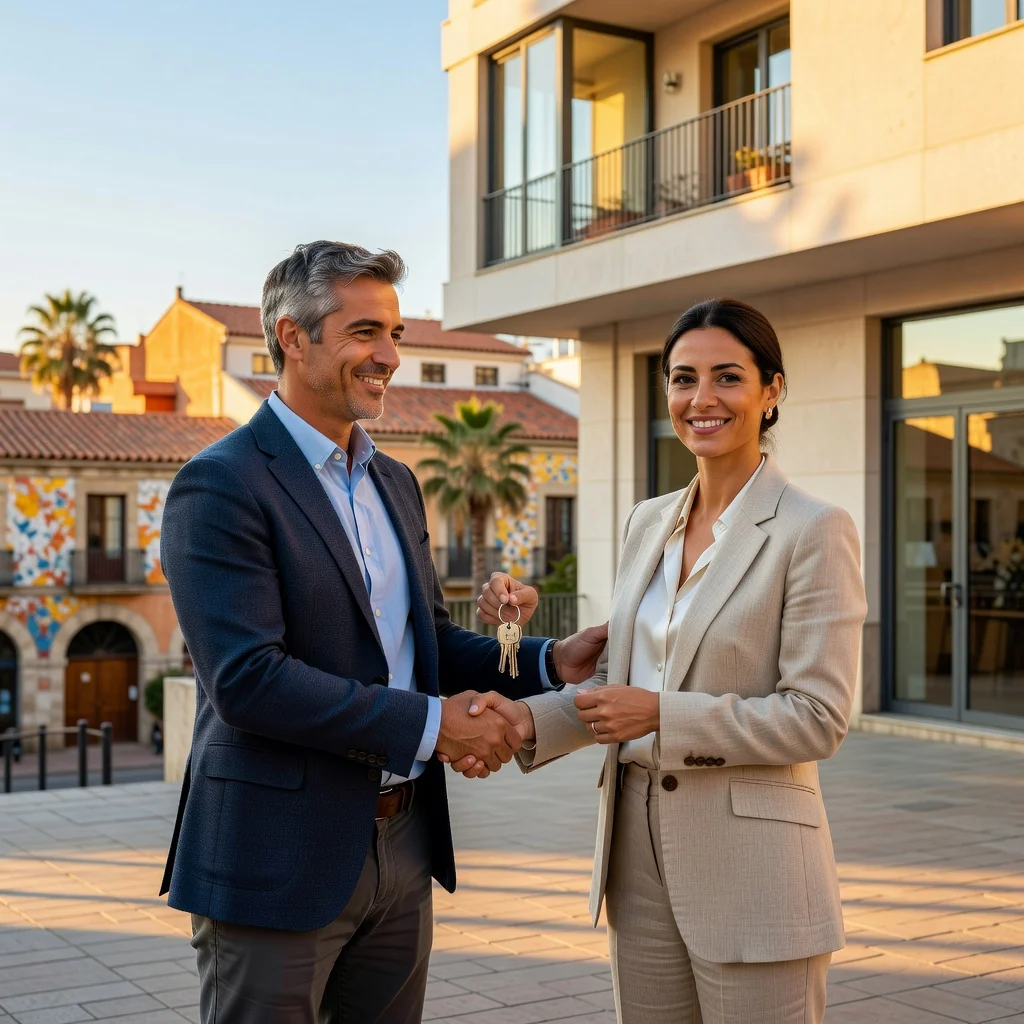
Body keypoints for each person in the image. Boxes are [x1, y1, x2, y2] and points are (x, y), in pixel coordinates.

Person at [158, 240, 608, 1024]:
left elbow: (425, 644)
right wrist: (437, 728)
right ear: (293, 337)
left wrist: (548, 659)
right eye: (366, 332)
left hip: (403, 845)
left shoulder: (395, 482)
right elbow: (248, 681)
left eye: (395, 334)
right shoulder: (220, 484)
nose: (390, 356)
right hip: (275, 853)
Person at [459, 298, 868, 1023]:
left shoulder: (814, 529)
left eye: (727, 378)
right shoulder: (646, 521)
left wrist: (662, 716)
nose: (701, 399)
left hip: (755, 865)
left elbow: (818, 718)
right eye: (683, 379)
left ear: (772, 391)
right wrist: (521, 722)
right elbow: (621, 685)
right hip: (634, 844)